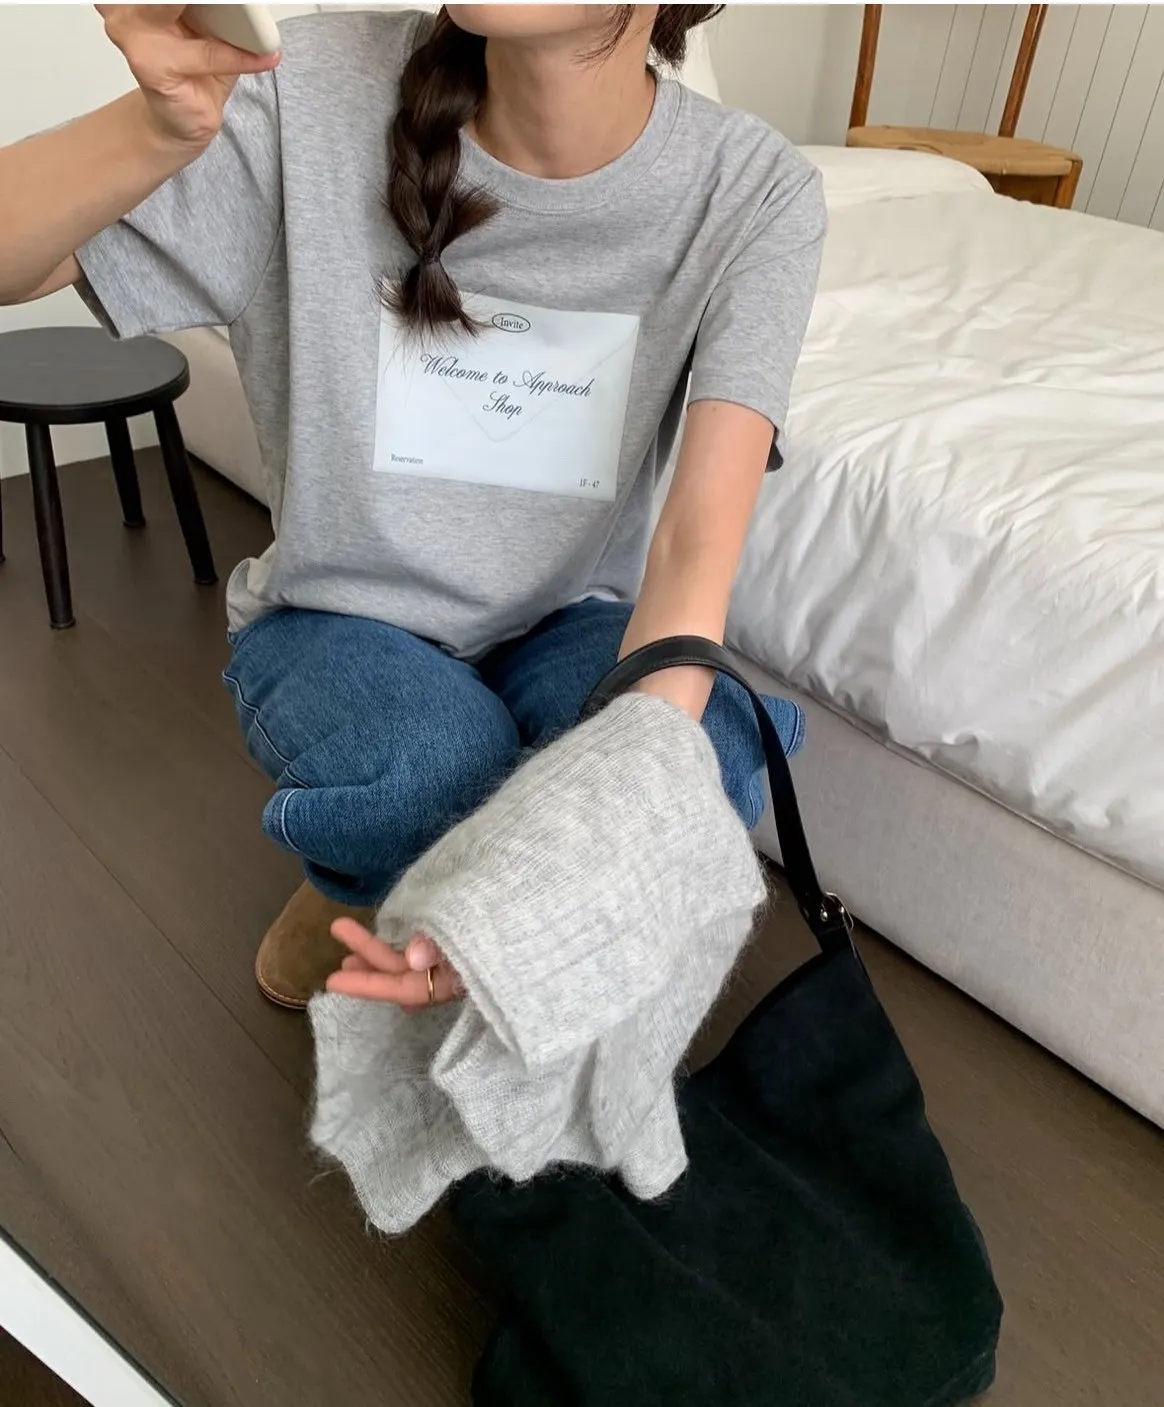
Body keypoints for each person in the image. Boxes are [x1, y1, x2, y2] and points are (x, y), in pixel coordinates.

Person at [0, 4, 825, 1012]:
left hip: (569, 622)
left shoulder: (755, 189)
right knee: (434, 770)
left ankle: (446, 907)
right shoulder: (308, 89)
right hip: (340, 619)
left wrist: (625, 815)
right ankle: (365, 881)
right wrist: (152, 128)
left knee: (708, 746)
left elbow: (695, 549)